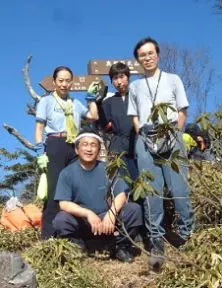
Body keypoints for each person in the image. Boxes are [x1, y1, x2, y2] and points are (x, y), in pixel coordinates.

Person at [127, 37, 193, 271]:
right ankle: (156, 242)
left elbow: (182, 110)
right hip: (145, 138)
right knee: (151, 192)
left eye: (150, 53)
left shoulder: (172, 79)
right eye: (142, 55)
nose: (147, 58)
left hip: (171, 135)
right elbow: (134, 115)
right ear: (138, 60)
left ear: (158, 54)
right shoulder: (135, 86)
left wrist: (176, 133)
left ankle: (187, 235)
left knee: (179, 189)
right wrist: (140, 131)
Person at [53, 131, 143, 263]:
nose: (89, 149)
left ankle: (120, 247)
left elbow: (121, 194)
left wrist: (111, 214)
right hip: (83, 222)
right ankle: (78, 246)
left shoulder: (109, 168)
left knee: (134, 210)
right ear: (77, 149)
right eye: (85, 144)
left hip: (107, 220)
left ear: (99, 149)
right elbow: (64, 203)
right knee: (61, 219)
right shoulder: (67, 173)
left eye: (93, 145)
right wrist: (88, 214)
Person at [35, 66, 99, 239]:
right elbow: (40, 127)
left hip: (74, 146)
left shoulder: (75, 103)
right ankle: (48, 237)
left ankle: (71, 234)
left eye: (67, 80)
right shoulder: (46, 101)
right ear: (55, 82)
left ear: (72, 82)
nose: (64, 84)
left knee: (72, 189)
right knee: (54, 190)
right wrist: (40, 150)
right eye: (60, 80)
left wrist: (90, 98)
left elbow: (94, 116)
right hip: (55, 144)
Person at [102, 62, 138, 180]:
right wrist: (97, 103)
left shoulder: (138, 97)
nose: (119, 81)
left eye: (121, 77)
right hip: (118, 148)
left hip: (138, 145)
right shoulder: (109, 102)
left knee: (140, 183)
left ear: (128, 77)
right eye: (115, 78)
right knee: (121, 183)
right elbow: (102, 124)